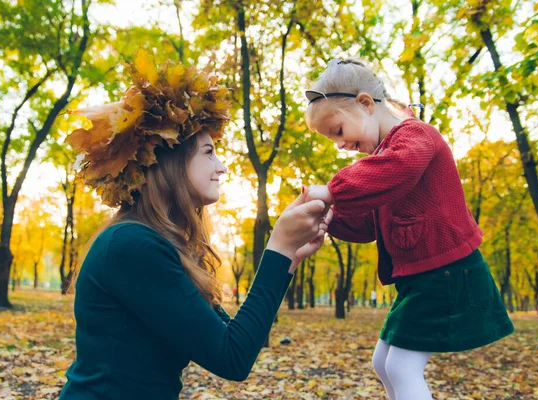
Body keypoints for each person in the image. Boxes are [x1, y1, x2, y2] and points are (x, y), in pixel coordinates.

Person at [59, 55, 333, 400]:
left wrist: (288, 257)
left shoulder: (155, 243)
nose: (221, 167)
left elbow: (235, 339)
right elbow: (231, 359)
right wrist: (277, 246)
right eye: (208, 152)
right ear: (169, 160)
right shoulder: (131, 244)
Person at [302, 58, 514, 400]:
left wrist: (331, 191)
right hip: (422, 278)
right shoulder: (383, 162)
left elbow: (401, 165)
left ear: (365, 104)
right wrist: (333, 219)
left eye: (338, 132)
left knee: (402, 367)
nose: (339, 145)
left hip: (448, 272)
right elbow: (373, 223)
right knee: (383, 362)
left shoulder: (415, 136)